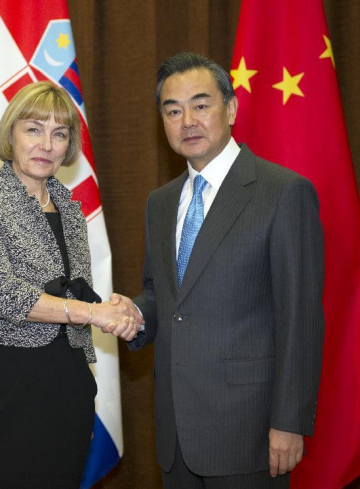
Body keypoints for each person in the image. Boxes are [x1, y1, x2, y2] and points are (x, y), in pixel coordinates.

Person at [119, 52, 325, 488]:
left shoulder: (283, 193)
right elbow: (164, 295)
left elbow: (301, 318)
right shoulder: (160, 202)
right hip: (175, 432)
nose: (187, 120)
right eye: (172, 110)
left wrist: (290, 421)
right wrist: (134, 315)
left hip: (249, 433)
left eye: (201, 104)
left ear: (230, 109)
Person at [0, 81, 143, 489]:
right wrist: (96, 314)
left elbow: (74, 291)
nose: (46, 143)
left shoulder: (71, 210)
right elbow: (1, 293)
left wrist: (118, 308)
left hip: (61, 386)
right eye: (33, 129)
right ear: (10, 134)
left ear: (69, 146)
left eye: (59, 133)